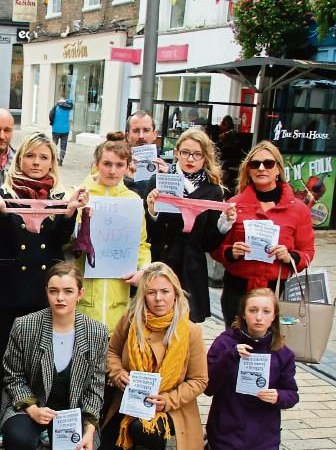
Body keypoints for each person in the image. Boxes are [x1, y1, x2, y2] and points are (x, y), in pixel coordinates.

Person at [0, 133, 88, 448]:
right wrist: (1, 210)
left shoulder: (58, 196)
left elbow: (58, 241)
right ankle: (0, 416)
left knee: (43, 355)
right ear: (20, 159)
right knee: (6, 352)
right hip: (12, 288)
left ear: (52, 162)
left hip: (45, 290)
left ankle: (40, 414)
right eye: (31, 156)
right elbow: (6, 240)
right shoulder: (5, 192)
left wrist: (69, 213)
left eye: (43, 157)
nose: (37, 163)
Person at [0, 263, 108, 450]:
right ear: (46, 292)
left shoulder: (96, 332)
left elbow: (96, 388)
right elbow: (12, 375)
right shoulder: (25, 325)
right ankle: (31, 447)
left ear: (80, 293)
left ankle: (57, 445)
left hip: (71, 412)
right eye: (53, 291)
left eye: (68, 291)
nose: (60, 298)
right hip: (33, 403)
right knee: (18, 438)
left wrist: (88, 431)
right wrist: (32, 409)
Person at [93, 263, 208, 450]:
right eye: (151, 292)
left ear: (175, 293)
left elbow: (199, 380)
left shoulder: (190, 331)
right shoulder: (130, 319)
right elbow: (111, 352)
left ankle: (156, 447)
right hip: (129, 401)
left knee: (142, 429)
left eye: (165, 291)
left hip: (170, 405)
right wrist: (117, 373)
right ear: (143, 295)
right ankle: (134, 436)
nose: (158, 298)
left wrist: (168, 399)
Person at [205, 288, 298, 450]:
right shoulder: (226, 342)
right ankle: (212, 448)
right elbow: (208, 387)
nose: (259, 317)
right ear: (243, 314)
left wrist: (278, 396)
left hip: (263, 433)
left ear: (274, 316)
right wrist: (230, 356)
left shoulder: (282, 352)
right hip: (229, 428)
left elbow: (292, 394)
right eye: (253, 310)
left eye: (266, 311)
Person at [212, 140, 315, 327]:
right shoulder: (234, 204)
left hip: (275, 290)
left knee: (269, 348)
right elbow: (215, 246)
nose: (261, 168)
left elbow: (308, 253)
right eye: (255, 164)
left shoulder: (298, 209)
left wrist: (289, 256)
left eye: (268, 163)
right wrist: (231, 252)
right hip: (237, 289)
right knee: (235, 345)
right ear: (248, 170)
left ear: (278, 170)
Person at [144, 129, 236, 322]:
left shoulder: (212, 191)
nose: (190, 159)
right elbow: (148, 234)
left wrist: (224, 223)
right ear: (176, 152)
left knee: (187, 328)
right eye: (185, 152)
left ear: (205, 158)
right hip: (162, 262)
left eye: (197, 154)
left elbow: (208, 244)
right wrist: (152, 211)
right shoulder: (159, 181)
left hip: (191, 268)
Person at [75, 132, 151, 329]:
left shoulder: (132, 200)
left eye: (119, 165)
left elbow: (141, 243)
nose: (113, 171)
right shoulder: (80, 194)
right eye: (107, 164)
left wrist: (143, 270)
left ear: (127, 167)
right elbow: (67, 241)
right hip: (85, 295)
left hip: (118, 296)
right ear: (97, 164)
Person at [126, 110, 168, 198]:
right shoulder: (115, 164)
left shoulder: (167, 167)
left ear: (154, 135)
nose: (141, 136)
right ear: (128, 136)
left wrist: (165, 179)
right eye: (136, 131)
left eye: (146, 130)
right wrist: (126, 178)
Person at [48, 98, 73, 166]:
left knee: (54, 145)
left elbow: (51, 115)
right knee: (63, 146)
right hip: (65, 130)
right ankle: (61, 160)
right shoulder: (68, 108)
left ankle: (55, 158)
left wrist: (52, 122)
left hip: (56, 129)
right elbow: (70, 102)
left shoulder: (56, 107)